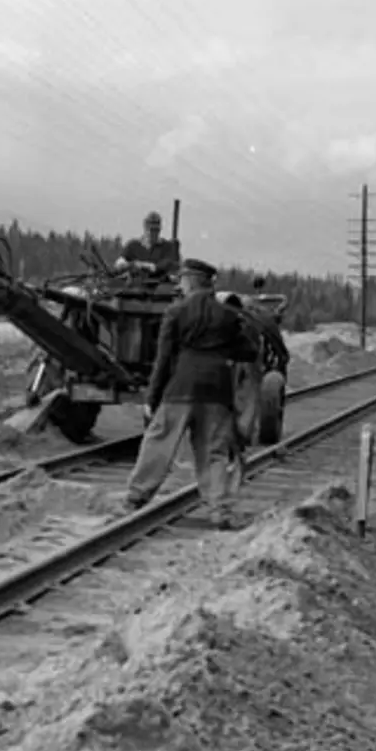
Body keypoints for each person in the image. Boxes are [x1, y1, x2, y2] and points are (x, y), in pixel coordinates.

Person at [120, 257, 259, 529]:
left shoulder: (175, 312)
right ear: (209, 284)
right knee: (214, 452)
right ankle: (220, 511)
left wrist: (152, 398)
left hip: (179, 389)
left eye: (182, 281)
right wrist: (222, 351)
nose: (180, 286)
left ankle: (136, 498)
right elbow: (249, 351)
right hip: (217, 393)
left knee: (159, 442)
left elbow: (163, 360)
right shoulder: (229, 316)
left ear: (189, 281)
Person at [115, 211, 181, 278]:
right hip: (134, 284)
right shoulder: (133, 245)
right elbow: (119, 263)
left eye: (156, 230)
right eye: (151, 229)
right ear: (145, 228)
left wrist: (142, 265)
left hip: (158, 284)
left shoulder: (167, 247)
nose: (153, 233)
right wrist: (130, 265)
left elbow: (158, 267)